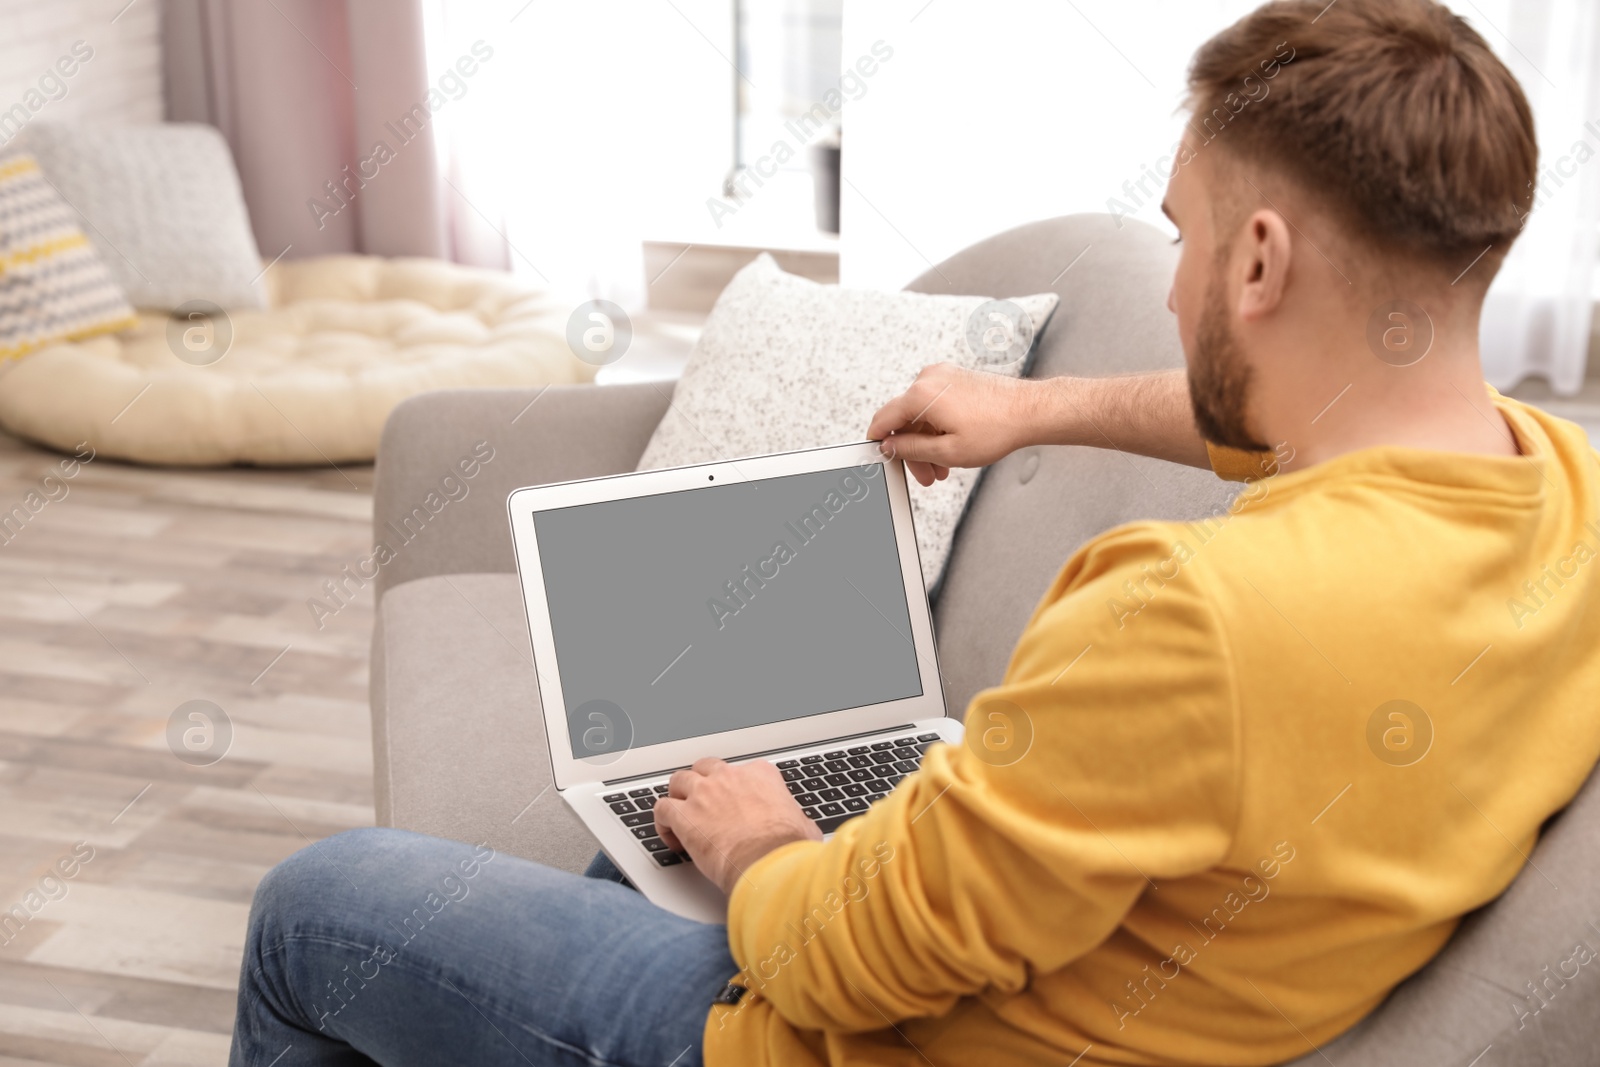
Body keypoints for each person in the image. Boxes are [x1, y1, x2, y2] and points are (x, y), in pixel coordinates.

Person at [230, 1, 1600, 1064]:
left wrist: (766, 844)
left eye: (1180, 239)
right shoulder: (1556, 492)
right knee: (656, 817)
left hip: (862, 1036)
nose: (1173, 286)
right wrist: (1031, 406)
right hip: (1134, 986)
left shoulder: (1189, 615)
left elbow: (846, 963)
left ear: (1256, 262)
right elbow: (1297, 427)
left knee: (319, 905)